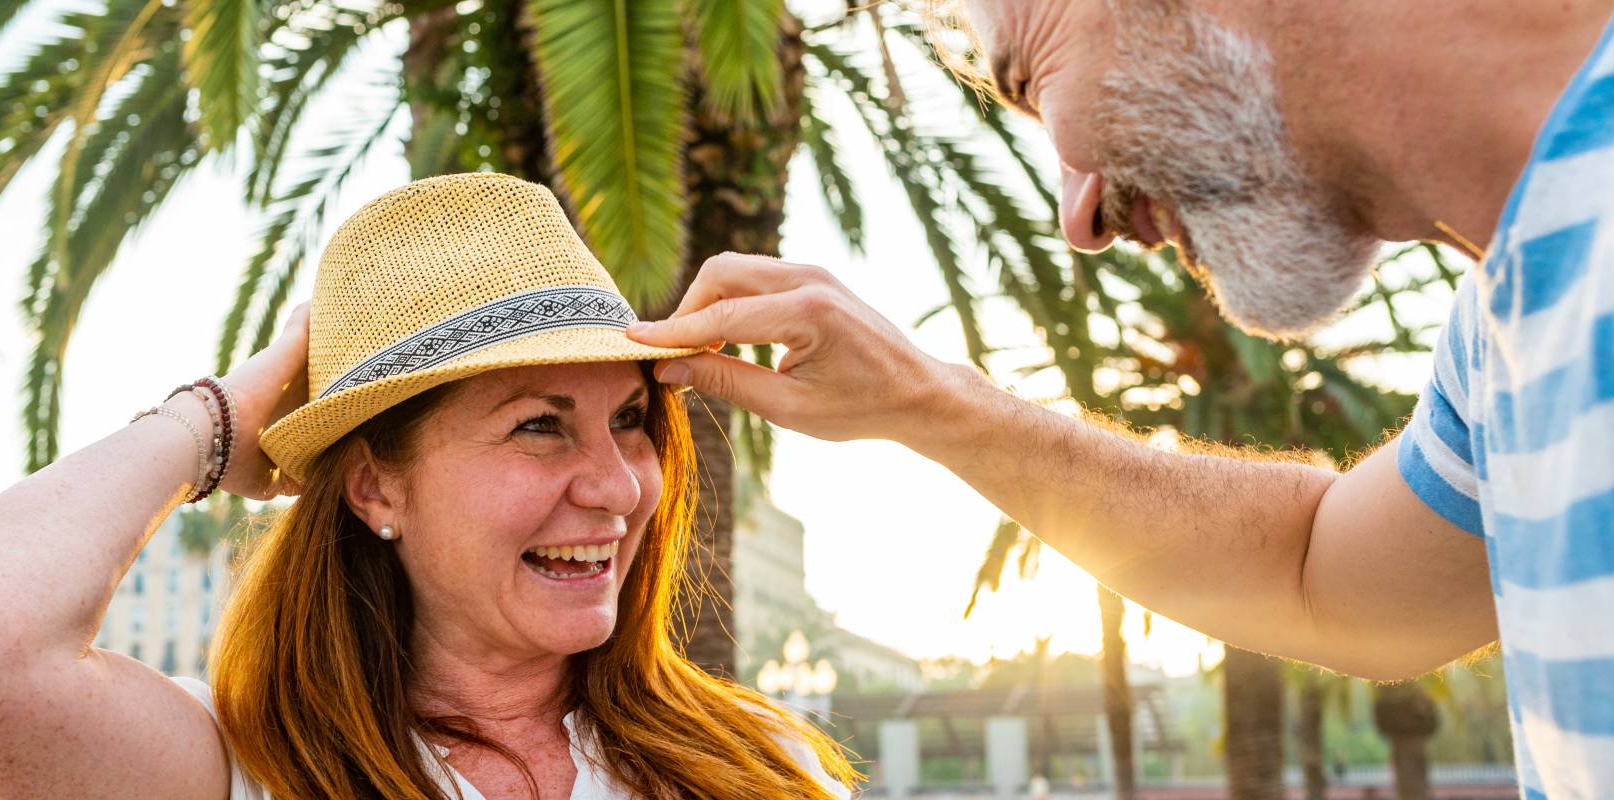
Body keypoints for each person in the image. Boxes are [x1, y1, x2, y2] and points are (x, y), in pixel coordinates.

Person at [625, 0, 1614, 794]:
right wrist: (926, 401)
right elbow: (1319, 573)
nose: (1079, 219)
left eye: (1029, 74)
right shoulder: (1502, 338)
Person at [0, 173, 856, 799]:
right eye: (538, 426)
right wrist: (225, 413)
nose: (613, 486)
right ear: (374, 490)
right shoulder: (243, 773)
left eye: (630, 421)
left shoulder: (760, 766)